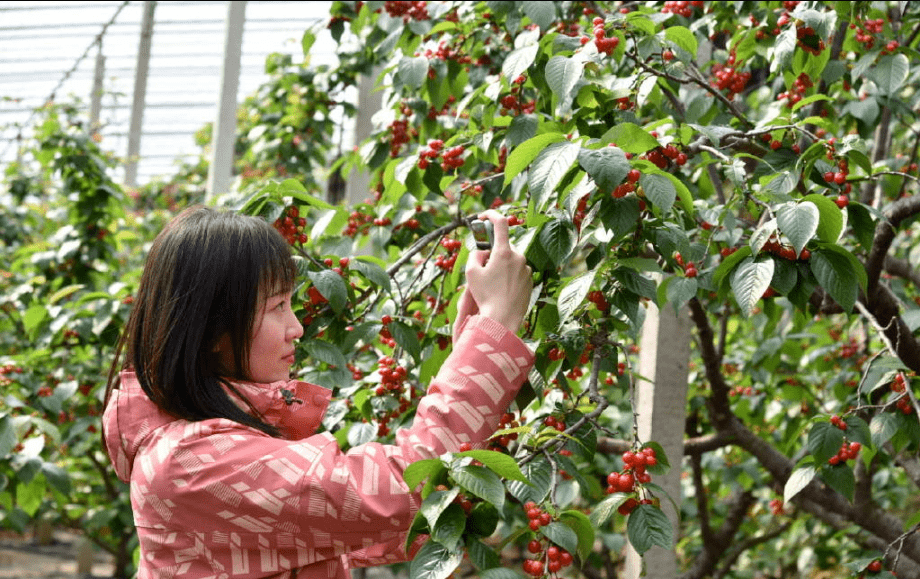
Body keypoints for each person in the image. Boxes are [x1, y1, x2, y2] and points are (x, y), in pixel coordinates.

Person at [102, 205, 534, 579]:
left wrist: (473, 349)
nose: (297, 328)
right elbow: (404, 487)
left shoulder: (199, 445)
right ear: (214, 328)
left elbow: (383, 526)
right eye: (276, 307)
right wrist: (494, 329)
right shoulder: (193, 464)